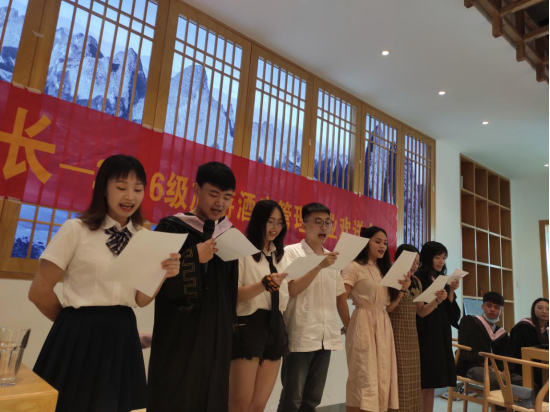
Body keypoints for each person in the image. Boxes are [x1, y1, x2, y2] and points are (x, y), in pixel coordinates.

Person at [29, 155, 181, 412]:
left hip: (122, 334)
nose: (130, 196)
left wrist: (163, 275)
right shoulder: (76, 229)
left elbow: (140, 300)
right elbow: (39, 292)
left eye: (138, 189)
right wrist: (72, 326)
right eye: (121, 187)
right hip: (78, 335)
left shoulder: (144, 237)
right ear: (103, 189)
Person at [148, 162, 239, 412]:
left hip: (217, 336)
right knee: (176, 395)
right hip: (180, 333)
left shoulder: (228, 235)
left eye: (227, 197)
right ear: (196, 189)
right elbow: (156, 281)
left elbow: (230, 291)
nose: (220, 203)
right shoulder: (171, 228)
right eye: (214, 194)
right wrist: (193, 258)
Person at [277, 203, 342, 412]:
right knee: (292, 400)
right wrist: (319, 266)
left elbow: (339, 294)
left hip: (325, 336)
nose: (324, 227)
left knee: (312, 400)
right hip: (301, 335)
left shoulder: (332, 256)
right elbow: (292, 289)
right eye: (318, 222)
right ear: (304, 224)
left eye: (327, 223)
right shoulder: (291, 252)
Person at [229, 200, 290, 412]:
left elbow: (287, 293)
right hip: (248, 325)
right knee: (240, 404)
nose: (275, 227)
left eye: (280, 223)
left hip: (276, 325)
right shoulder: (243, 251)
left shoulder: (279, 255)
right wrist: (263, 284)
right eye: (270, 221)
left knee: (259, 405)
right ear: (258, 221)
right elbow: (232, 294)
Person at [337, 226, 399, 412]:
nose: (382, 246)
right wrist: (349, 326)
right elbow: (340, 298)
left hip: (383, 325)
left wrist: (402, 289)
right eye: (377, 241)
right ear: (365, 242)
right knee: (363, 377)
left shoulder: (383, 269)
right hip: (363, 323)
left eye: (385, 243)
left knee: (381, 377)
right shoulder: (354, 267)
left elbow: (388, 307)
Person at [387, 244, 448, 412]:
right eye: (412, 261)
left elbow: (421, 311)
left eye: (417, 262)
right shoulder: (391, 278)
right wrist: (402, 290)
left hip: (412, 336)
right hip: (395, 333)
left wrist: (437, 301)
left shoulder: (416, 281)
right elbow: (388, 308)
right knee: (399, 381)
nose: (415, 265)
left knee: (413, 382)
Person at [416, 241, 461, 412]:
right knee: (423, 382)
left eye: (444, 258)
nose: (441, 261)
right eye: (437, 257)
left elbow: (453, 316)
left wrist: (451, 291)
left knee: (432, 383)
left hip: (440, 334)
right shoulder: (419, 278)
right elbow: (419, 310)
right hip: (425, 333)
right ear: (428, 257)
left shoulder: (442, 280)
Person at [457, 292, 522, 390]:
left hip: (498, 370)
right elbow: (467, 350)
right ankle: (502, 401)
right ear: (482, 307)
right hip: (472, 366)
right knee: (499, 381)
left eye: (497, 307)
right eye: (489, 305)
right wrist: (490, 368)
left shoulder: (501, 333)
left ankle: (515, 400)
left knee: (526, 383)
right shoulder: (470, 322)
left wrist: (506, 370)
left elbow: (509, 355)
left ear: (501, 311)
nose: (492, 309)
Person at [511, 298, 549, 389]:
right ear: (533, 310)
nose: (544, 311)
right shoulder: (524, 327)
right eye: (540, 308)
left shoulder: (546, 328)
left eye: (548, 309)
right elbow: (520, 352)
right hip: (525, 366)